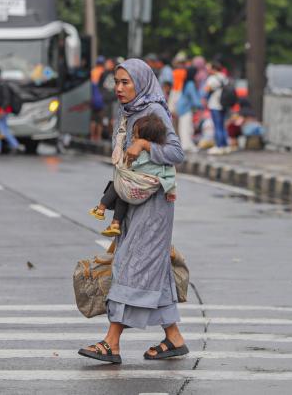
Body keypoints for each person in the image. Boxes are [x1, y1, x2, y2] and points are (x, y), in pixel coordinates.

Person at [78, 58, 187, 365]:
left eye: (126, 82)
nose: (120, 88)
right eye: (117, 82)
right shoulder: (128, 112)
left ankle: (111, 343)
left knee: (129, 266)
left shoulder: (153, 111)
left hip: (154, 205)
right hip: (134, 203)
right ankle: (174, 338)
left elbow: (178, 153)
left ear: (141, 82)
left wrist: (143, 145)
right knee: (152, 269)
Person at [89, 114, 177, 237]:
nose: (133, 140)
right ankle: (115, 224)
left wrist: (124, 156)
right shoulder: (159, 158)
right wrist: (170, 192)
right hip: (142, 193)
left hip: (136, 186)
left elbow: (128, 167)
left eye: (135, 136)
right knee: (122, 194)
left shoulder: (136, 153)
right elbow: (169, 174)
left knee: (118, 184)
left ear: (146, 139)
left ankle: (101, 208)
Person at [0, 67, 22, 155]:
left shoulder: (2, 84)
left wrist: (2, 110)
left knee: (3, 129)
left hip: (2, 110)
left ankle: (15, 146)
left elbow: (6, 98)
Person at [203, 61, 229, 154]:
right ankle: (225, 146)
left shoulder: (212, 78)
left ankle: (219, 146)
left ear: (214, 69)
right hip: (223, 104)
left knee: (217, 126)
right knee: (222, 126)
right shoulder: (224, 76)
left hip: (215, 104)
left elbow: (207, 89)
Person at [175, 67, 201, 152]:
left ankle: (187, 144)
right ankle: (186, 145)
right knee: (187, 127)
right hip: (186, 108)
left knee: (185, 127)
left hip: (182, 107)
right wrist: (201, 105)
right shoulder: (190, 84)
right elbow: (194, 98)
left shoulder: (186, 83)